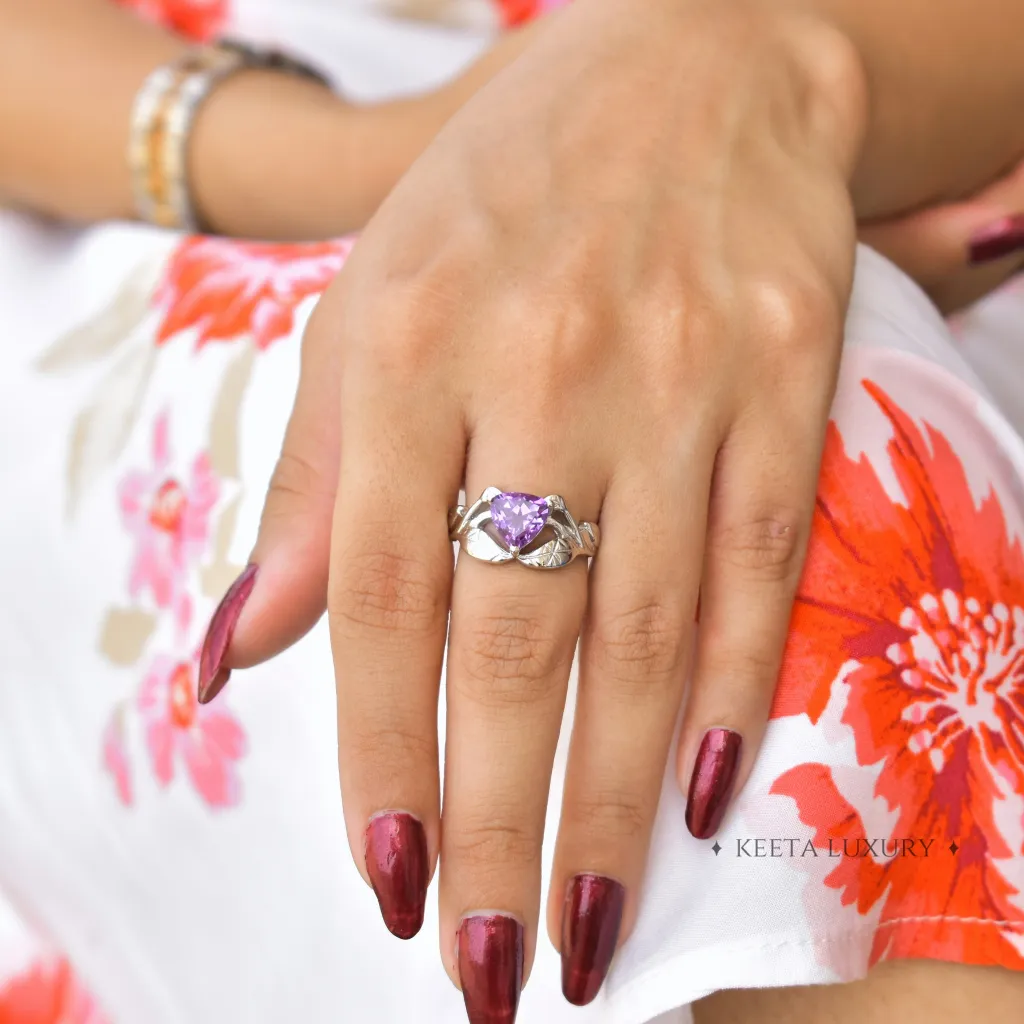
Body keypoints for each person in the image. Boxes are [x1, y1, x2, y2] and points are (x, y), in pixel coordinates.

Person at [0, 1, 1023, 1022]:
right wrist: (415, 154)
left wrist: (766, 67)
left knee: (777, 454)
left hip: (862, 127)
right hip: (159, 158)